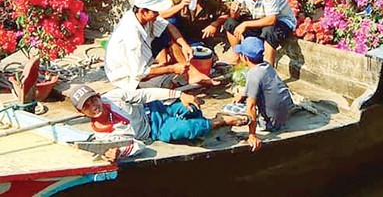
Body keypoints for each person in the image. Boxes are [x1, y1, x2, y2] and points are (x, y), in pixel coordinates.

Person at [69, 84, 250, 162]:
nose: (93, 106)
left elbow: (145, 94)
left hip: (153, 108)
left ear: (99, 97)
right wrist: (119, 152)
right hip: (155, 129)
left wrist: (180, 95)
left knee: (191, 107)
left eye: (93, 100)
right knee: (187, 129)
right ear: (81, 112)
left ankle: (203, 124)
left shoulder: (114, 96)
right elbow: (137, 145)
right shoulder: (102, 136)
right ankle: (218, 121)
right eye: (87, 106)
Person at [104, 0, 218, 91]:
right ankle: (180, 73)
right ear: (143, 12)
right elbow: (139, 73)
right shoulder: (131, 34)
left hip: (145, 58)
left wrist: (184, 45)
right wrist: (172, 69)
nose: (158, 14)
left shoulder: (142, 16)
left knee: (167, 34)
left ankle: (192, 73)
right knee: (168, 85)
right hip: (128, 77)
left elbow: (168, 26)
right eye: (155, 11)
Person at [223, 0, 297, 65]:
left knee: (269, 30)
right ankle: (237, 56)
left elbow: (271, 19)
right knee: (230, 23)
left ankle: (268, 67)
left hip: (281, 22)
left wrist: (245, 24)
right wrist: (234, 10)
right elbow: (234, 16)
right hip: (259, 19)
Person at [232, 37, 294, 152]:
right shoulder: (266, 66)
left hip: (271, 123)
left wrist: (252, 135)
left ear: (244, 57)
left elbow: (251, 107)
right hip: (287, 113)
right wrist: (244, 93)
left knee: (237, 112)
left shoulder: (253, 74)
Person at [160, 0, 229, 45]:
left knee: (199, 52)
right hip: (177, 34)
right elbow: (161, 14)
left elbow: (225, 14)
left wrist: (215, 24)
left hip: (196, 35)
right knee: (171, 21)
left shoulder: (210, 0)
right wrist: (180, 6)